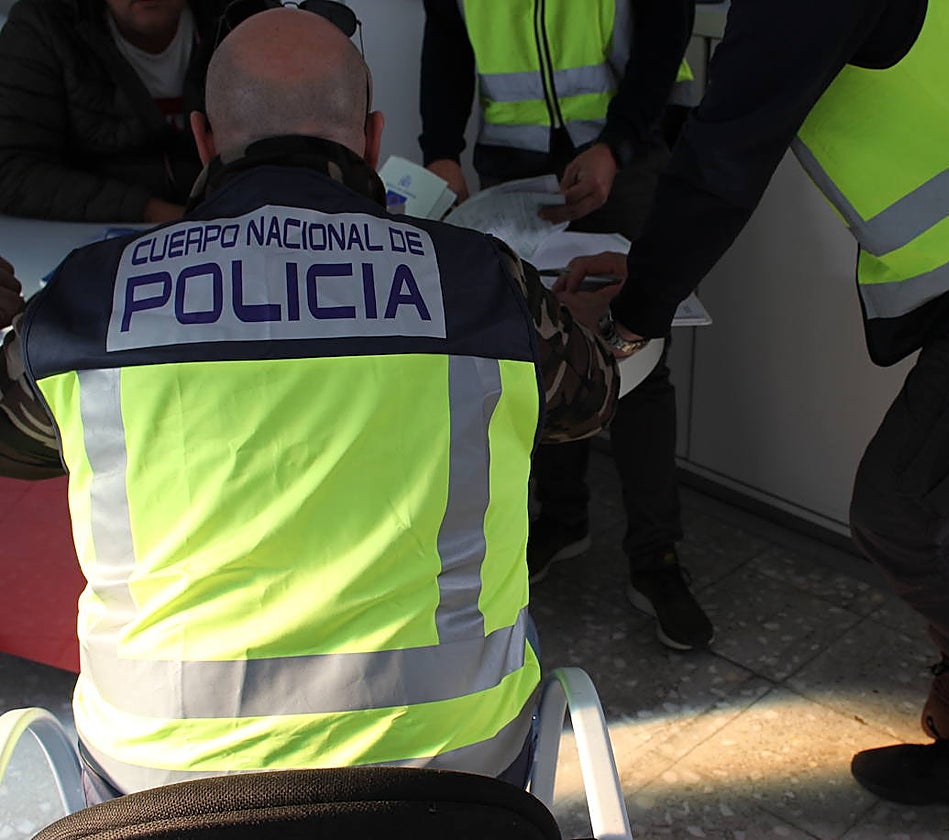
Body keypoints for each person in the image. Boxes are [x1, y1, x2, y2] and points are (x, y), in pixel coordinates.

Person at [560, 0, 949, 829]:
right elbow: (746, 112)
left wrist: (627, 318)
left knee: (905, 511)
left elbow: (727, 161)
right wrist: (650, 268)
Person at [0, 6, 619, 802]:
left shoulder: (89, 297)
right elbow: (587, 401)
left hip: (157, 784)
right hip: (454, 775)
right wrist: (585, 323)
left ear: (202, 140)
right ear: (370, 138)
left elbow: (13, 443)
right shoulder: (483, 284)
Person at [419, 0, 714, 651]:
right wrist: (440, 150)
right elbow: (447, 37)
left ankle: (656, 557)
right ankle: (561, 519)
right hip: (514, 170)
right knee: (533, 357)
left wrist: (618, 141)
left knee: (636, 361)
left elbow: (666, 29)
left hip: (625, 159)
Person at [0, 0, 230, 223]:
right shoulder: (43, 25)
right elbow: (11, 169)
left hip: (231, 229)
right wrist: (154, 212)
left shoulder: (238, 15)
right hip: (90, 237)